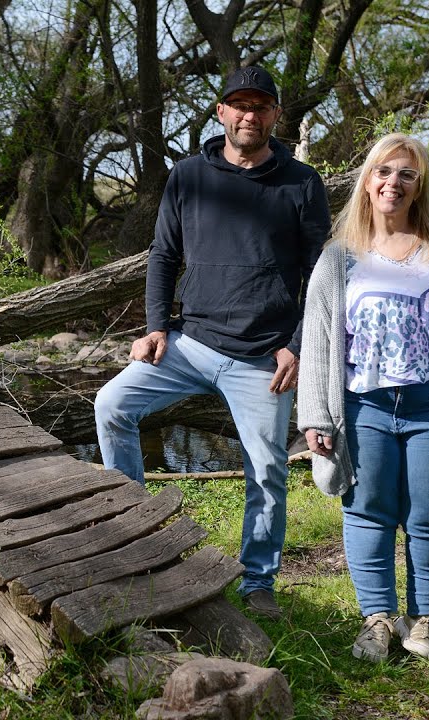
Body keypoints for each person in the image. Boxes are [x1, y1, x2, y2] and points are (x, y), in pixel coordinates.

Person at [94, 65, 331, 620]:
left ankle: (258, 582)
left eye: (261, 106)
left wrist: (298, 344)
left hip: (263, 358)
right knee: (111, 406)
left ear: (276, 116)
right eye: (239, 105)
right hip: (191, 343)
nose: (250, 115)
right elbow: (163, 256)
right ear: (221, 112)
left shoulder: (301, 183)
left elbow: (321, 274)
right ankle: (135, 540)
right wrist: (156, 327)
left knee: (268, 471)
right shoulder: (188, 176)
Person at [296, 133, 429, 662]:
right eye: (384, 171)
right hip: (364, 407)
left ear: (420, 184)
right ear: (367, 181)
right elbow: (317, 338)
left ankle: (425, 620)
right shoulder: (339, 257)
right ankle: (379, 619)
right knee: (367, 510)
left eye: (407, 174)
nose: (394, 182)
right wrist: (316, 412)